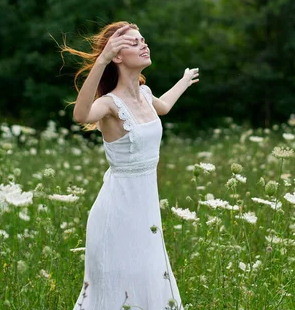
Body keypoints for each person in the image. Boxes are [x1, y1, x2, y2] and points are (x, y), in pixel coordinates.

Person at [65, 21, 199, 309]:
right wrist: (100, 60)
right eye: (134, 42)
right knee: (118, 290)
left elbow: (163, 105)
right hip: (116, 213)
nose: (144, 44)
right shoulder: (110, 105)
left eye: (144, 39)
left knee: (151, 279)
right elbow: (80, 114)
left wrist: (184, 81)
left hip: (145, 213)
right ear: (116, 56)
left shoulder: (146, 94)